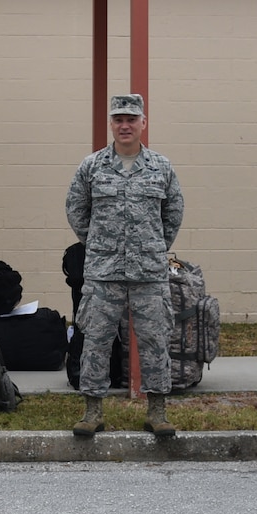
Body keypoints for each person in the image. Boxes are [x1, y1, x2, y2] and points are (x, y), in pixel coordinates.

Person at [64, 93, 186, 440]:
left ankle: (158, 411)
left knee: (155, 339)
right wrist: (102, 242)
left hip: (148, 271)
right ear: (111, 124)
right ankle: (92, 411)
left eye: (132, 119)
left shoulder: (161, 167)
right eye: (118, 119)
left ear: (143, 123)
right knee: (96, 340)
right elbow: (76, 210)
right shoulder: (92, 167)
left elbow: (173, 214)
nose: (125, 125)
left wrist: (153, 245)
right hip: (104, 271)